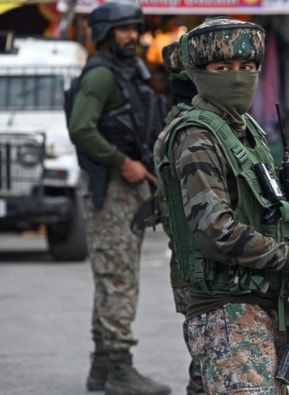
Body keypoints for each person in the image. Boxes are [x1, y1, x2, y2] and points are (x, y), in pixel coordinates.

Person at [153, 17, 289, 394]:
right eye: (223, 68)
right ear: (198, 74)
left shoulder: (249, 132)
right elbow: (215, 231)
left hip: (271, 306)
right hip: (227, 312)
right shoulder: (196, 137)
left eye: (248, 68)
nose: (238, 78)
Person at [67, 2, 171, 395]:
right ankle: (118, 370)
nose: (131, 36)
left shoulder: (129, 73)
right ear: (105, 34)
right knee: (118, 280)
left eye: (134, 28)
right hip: (109, 188)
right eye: (123, 30)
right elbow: (81, 128)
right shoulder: (100, 75)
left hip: (128, 188)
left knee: (115, 278)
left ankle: (102, 369)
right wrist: (121, 162)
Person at [159, 41, 203, 395]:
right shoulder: (187, 132)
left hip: (199, 264)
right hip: (198, 265)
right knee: (206, 360)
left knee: (204, 359)